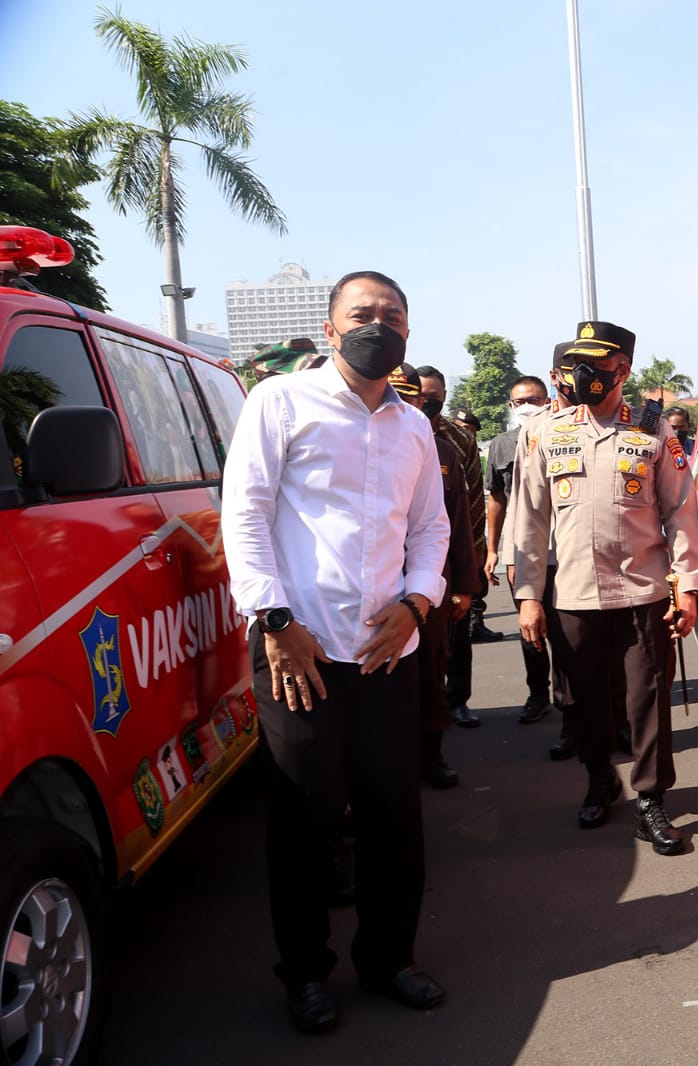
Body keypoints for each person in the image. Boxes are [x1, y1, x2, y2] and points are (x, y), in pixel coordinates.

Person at [220, 270, 450, 1034]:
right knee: (303, 819)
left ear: (408, 333)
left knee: (393, 818)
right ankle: (306, 975)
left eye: (391, 316)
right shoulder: (278, 402)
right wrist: (275, 620)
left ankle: (389, 958)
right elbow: (245, 514)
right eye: (361, 314)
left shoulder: (414, 426)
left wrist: (417, 602)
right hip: (300, 648)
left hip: (388, 649)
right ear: (330, 329)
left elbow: (430, 530)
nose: (376, 325)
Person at [511, 321, 698, 855]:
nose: (585, 374)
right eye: (579, 363)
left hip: (642, 593)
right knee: (586, 702)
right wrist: (529, 596)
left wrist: (688, 586)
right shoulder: (545, 432)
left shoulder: (652, 431)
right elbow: (527, 521)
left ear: (622, 369)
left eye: (597, 365)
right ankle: (600, 779)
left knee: (647, 701)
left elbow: (683, 513)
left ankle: (650, 801)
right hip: (573, 595)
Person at [390, 363, 477, 785]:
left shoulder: (442, 452)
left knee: (430, 672)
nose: (399, 405)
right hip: (374, 590)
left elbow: (457, 523)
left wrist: (462, 586)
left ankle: (431, 756)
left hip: (429, 586)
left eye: (407, 397)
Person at [414, 367, 491, 730]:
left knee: (457, 637)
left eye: (435, 396)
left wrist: (471, 564)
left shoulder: (457, 441)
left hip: (453, 552)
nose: (427, 402)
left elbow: (473, 503)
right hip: (410, 560)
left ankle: (458, 701)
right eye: (421, 394)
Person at [485, 370, 561, 729]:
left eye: (534, 400)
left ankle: (569, 701)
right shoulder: (501, 445)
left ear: (547, 401)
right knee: (531, 628)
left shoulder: (562, 433)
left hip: (561, 547)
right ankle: (538, 694)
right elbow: (497, 500)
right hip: (521, 548)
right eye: (520, 402)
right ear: (511, 406)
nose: (527, 407)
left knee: (565, 630)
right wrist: (495, 549)